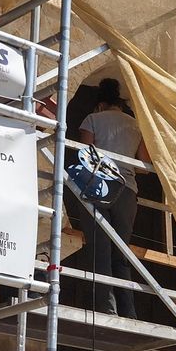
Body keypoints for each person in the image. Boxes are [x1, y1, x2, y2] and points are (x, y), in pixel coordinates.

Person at [74, 77, 149, 317]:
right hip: (127, 190)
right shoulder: (135, 126)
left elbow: (85, 157)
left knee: (100, 249)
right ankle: (129, 311)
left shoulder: (93, 119)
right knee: (121, 252)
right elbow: (144, 165)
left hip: (99, 186)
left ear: (99, 104)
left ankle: (106, 309)